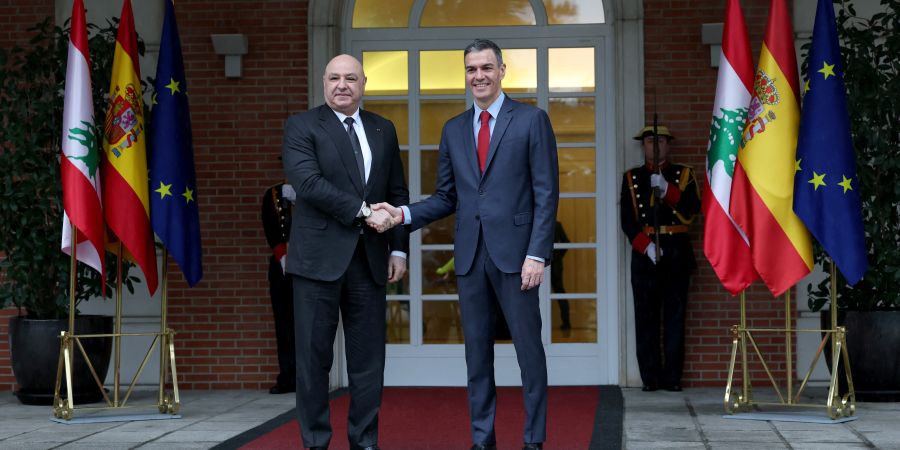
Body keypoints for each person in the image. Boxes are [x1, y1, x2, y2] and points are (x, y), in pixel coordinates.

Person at [375, 39, 559, 450]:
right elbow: (446, 197)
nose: (479, 76)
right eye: (472, 69)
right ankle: (482, 440)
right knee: (476, 356)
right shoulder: (454, 129)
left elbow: (546, 194)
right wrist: (401, 214)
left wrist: (537, 254)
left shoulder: (531, 120)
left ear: (502, 70)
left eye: (486, 68)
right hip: (471, 258)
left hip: (518, 258)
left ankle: (533, 440)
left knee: (529, 353)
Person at [282, 54, 409, 450]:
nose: (342, 85)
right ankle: (316, 442)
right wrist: (365, 212)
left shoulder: (383, 129)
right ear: (324, 82)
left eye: (350, 78)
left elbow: (397, 192)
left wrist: (399, 250)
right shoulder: (302, 125)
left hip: (370, 261)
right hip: (317, 262)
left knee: (369, 362)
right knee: (313, 361)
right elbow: (308, 183)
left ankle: (365, 441)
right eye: (334, 78)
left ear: (363, 83)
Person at [619, 125, 700, 392]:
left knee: (675, 318)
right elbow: (628, 221)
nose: (655, 146)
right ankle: (651, 378)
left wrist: (667, 190)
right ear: (643, 146)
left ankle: (672, 378)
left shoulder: (684, 174)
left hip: (676, 252)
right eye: (650, 141)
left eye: (661, 141)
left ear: (669, 145)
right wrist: (646, 246)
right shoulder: (631, 178)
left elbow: (692, 210)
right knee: (646, 318)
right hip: (646, 255)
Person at [261, 182, 297, 395]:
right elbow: (270, 224)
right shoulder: (275, 193)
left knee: (308, 327)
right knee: (283, 326)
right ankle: (287, 376)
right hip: (282, 266)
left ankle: (307, 377)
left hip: (311, 265)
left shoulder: (315, 188)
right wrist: (282, 256)